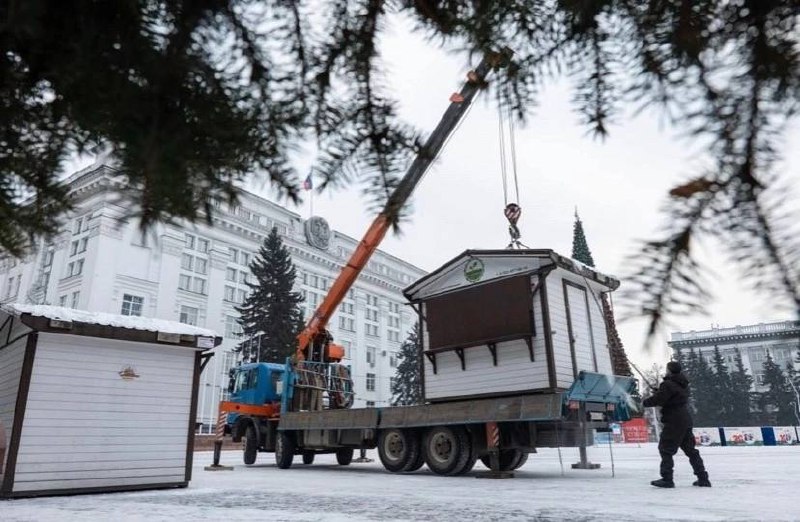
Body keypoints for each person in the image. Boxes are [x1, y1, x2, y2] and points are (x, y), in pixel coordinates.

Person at [643, 361, 711, 488]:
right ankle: (703, 478)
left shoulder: (667, 384)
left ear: (669, 370)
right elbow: (674, 395)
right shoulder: (683, 384)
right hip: (685, 419)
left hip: (673, 420)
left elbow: (660, 399)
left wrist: (644, 402)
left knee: (665, 449)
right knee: (691, 451)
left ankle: (667, 479)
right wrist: (659, 391)